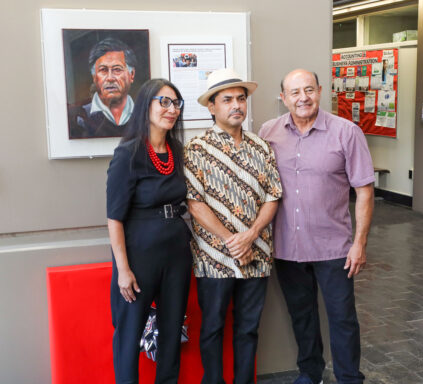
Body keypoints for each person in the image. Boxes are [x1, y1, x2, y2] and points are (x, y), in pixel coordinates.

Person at [259, 69, 375, 384]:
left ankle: (350, 378)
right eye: (294, 92)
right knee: (302, 315)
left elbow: (364, 190)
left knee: (342, 318)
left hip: (333, 247)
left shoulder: (346, 132)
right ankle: (310, 373)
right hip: (285, 246)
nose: (303, 98)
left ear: (320, 91)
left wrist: (360, 243)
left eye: (308, 89)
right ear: (283, 98)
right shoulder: (268, 132)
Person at [184, 68, 282, 384]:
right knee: (212, 327)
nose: (236, 105)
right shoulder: (196, 148)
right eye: (227, 99)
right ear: (211, 106)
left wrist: (250, 236)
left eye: (241, 98)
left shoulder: (262, 146)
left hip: (257, 253)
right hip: (214, 257)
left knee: (248, 327)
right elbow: (194, 203)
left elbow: (272, 197)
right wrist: (231, 240)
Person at [107, 78, 192, 384]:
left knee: (171, 330)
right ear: (146, 105)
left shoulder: (176, 150)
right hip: (139, 254)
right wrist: (123, 270)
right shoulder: (128, 154)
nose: (171, 110)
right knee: (129, 333)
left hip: (177, 252)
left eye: (176, 103)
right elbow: (114, 218)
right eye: (164, 102)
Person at [69, 37, 137, 139]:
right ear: (94, 77)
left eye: (117, 69)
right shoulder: (78, 118)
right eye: (103, 70)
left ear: (131, 75)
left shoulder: (146, 115)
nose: (110, 78)